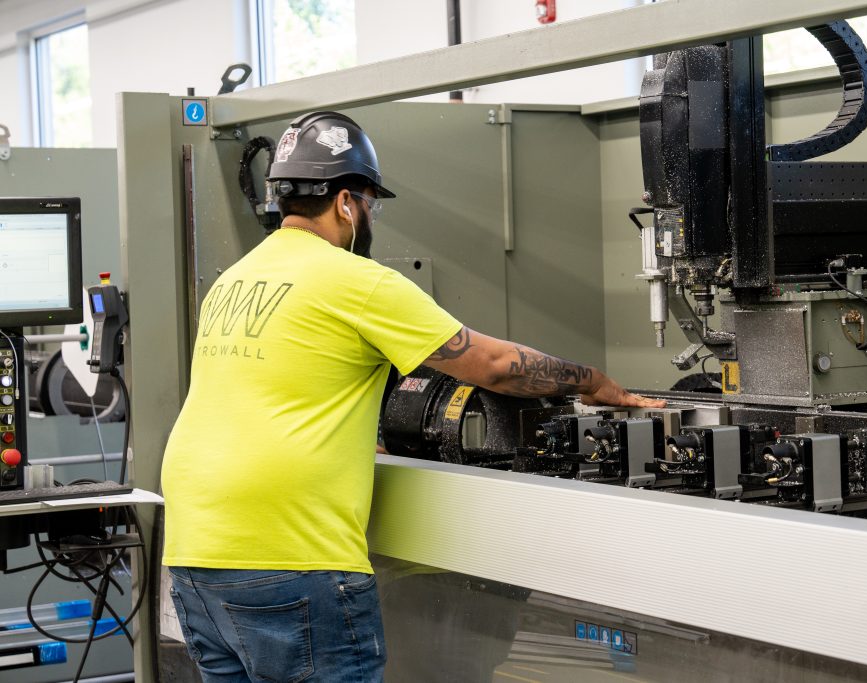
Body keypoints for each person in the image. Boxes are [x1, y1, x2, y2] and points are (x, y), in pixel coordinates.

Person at [160, 111, 665, 683]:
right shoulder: (355, 281)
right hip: (291, 554)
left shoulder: (235, 281)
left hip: (195, 552)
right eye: (371, 203)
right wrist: (597, 383)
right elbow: (495, 368)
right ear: (347, 202)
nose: (371, 216)